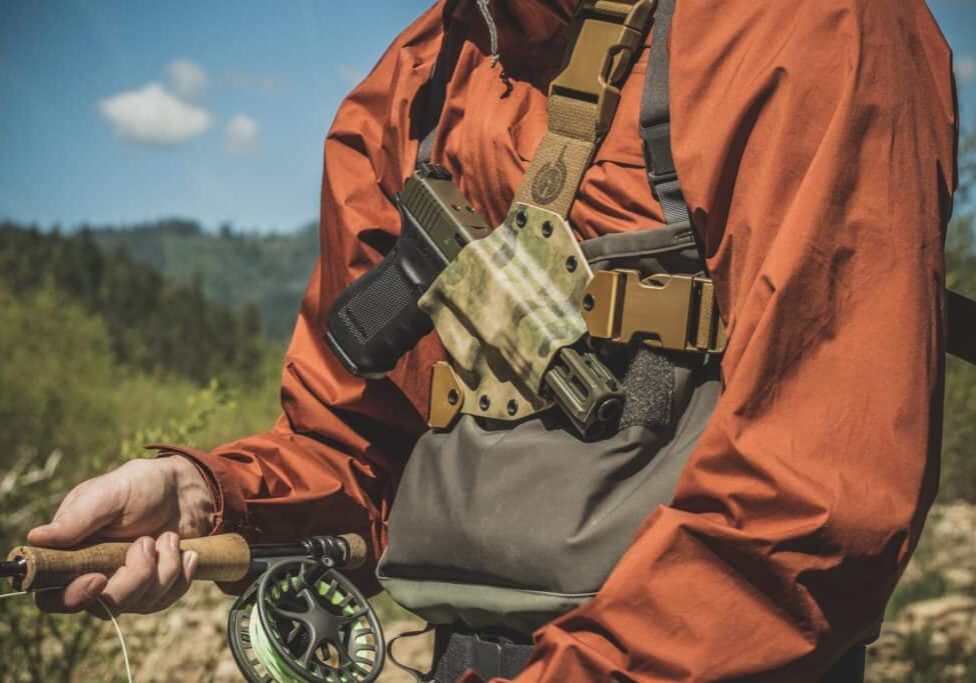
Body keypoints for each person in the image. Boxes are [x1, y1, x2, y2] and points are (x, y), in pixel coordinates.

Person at [30, 0, 957, 680]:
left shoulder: (815, 27)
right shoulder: (414, 83)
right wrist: (208, 493)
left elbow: (818, 496)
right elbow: (356, 449)